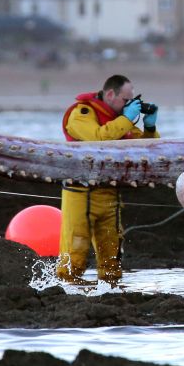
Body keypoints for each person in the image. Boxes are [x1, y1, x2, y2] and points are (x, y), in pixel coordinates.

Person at [57, 74, 159, 286]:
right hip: (81, 192)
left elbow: (147, 149)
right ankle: (64, 290)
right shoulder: (82, 113)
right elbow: (97, 138)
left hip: (110, 192)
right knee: (75, 251)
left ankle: (110, 290)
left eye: (132, 101)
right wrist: (127, 118)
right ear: (110, 94)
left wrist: (150, 128)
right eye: (126, 100)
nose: (128, 106)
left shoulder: (121, 120)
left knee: (111, 255)